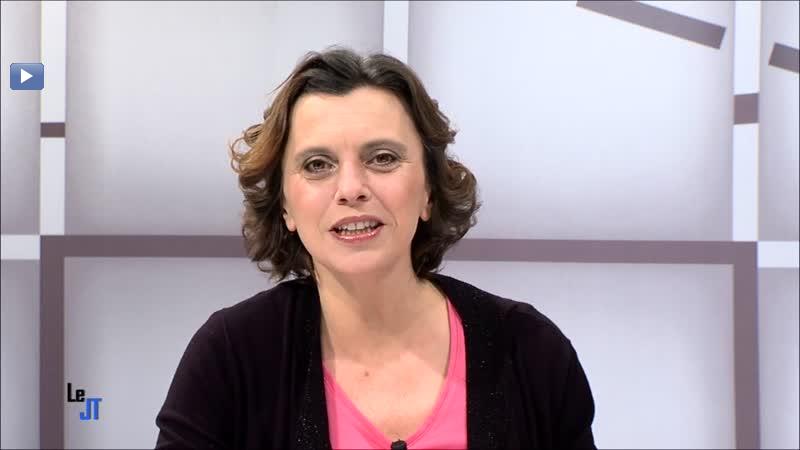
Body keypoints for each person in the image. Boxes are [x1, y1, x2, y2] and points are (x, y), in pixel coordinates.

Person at [155, 47, 596, 449]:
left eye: (382, 158)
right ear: (285, 205)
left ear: (428, 190)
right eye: (317, 164)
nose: (351, 188)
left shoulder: (531, 351)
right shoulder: (230, 356)